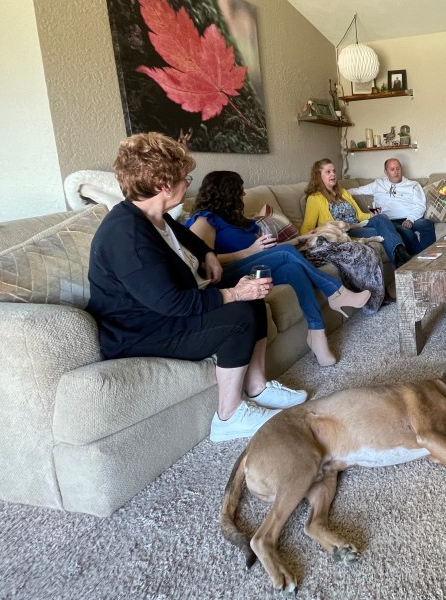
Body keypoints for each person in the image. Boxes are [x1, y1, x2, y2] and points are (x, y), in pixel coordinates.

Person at [86, 133, 307, 443]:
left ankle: (257, 386)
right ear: (164, 185)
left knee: (252, 294)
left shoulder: (152, 216)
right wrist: (233, 294)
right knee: (240, 312)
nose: (188, 184)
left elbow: (186, 236)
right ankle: (229, 416)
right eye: (185, 179)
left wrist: (208, 254)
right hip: (140, 332)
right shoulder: (127, 235)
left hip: (161, 314)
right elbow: (173, 303)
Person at [185, 171, 372, 367]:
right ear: (226, 192)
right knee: (286, 254)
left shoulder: (236, 221)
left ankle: (317, 335)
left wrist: (299, 239)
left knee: (293, 268)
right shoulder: (205, 220)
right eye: (239, 190)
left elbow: (266, 250)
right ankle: (336, 292)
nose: (243, 194)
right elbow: (202, 261)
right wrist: (246, 252)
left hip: (253, 268)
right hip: (229, 275)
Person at [301, 158, 412, 267]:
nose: (333, 174)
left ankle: (401, 259)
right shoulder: (314, 198)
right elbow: (308, 226)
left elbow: (359, 215)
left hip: (358, 225)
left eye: (334, 171)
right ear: (319, 176)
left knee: (382, 217)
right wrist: (307, 243)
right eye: (328, 172)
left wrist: (372, 215)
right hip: (345, 232)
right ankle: (402, 257)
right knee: (384, 231)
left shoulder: (343, 192)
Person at [348, 158, 436, 254]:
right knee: (405, 232)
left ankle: (430, 254)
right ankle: (419, 257)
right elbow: (358, 191)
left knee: (426, 224)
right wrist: (338, 191)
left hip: (410, 218)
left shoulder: (413, 185)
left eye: (398, 168)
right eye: (392, 169)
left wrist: (410, 219)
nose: (396, 172)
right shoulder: (378, 184)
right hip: (388, 221)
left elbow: (420, 205)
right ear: (386, 172)